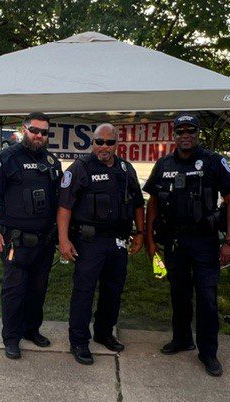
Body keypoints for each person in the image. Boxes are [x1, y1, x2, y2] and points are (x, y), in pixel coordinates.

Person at [143, 113, 230, 377]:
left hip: (205, 241)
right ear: (174, 135)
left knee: (207, 297)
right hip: (175, 241)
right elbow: (153, 203)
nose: (186, 136)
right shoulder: (163, 164)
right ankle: (182, 338)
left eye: (191, 131)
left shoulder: (214, 161)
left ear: (198, 134)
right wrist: (149, 238)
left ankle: (209, 352)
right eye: (180, 132)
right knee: (179, 293)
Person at [57, 123, 145, 365]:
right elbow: (64, 207)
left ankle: (104, 333)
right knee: (84, 292)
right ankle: (79, 341)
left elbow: (138, 202)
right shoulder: (80, 168)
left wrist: (140, 233)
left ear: (117, 143)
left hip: (118, 242)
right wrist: (63, 240)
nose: (104, 147)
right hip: (89, 242)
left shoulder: (126, 169)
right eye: (99, 141)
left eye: (109, 142)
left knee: (113, 290)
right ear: (92, 142)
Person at [0, 112, 62, 360]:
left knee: (38, 289)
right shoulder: (7, 158)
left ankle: (31, 330)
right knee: (15, 291)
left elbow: (59, 200)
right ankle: (11, 338)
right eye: (34, 130)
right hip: (16, 240)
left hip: (44, 241)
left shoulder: (51, 161)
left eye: (44, 132)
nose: (39, 135)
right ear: (24, 129)